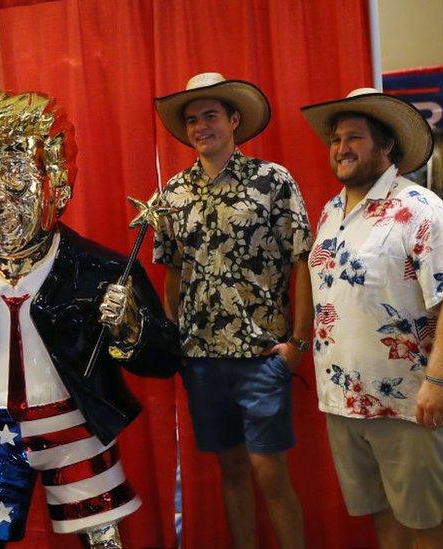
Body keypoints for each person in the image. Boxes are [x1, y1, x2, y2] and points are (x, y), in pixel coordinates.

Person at [0, 90, 181, 547]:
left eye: (15, 177)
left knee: (104, 540)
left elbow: (164, 359)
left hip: (75, 427)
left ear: (58, 184)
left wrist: (129, 329)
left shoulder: (101, 271)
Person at [301, 88, 443, 548]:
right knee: (382, 514)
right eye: (336, 139)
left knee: (430, 521)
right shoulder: (331, 211)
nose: (341, 148)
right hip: (344, 401)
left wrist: (439, 381)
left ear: (386, 147)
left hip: (412, 405)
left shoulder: (421, 209)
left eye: (355, 138)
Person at [152, 72, 311, 549]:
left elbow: (302, 262)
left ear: (234, 120)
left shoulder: (273, 181)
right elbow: (173, 274)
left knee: (270, 473)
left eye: (211, 116)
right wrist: (177, 341)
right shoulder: (172, 195)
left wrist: (298, 344)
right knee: (232, 471)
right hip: (202, 360)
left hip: (263, 355)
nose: (202, 126)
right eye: (193, 119)